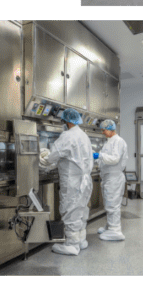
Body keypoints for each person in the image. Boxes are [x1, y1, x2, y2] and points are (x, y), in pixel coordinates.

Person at [41, 107, 94, 256]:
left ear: (67, 122)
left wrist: (45, 156)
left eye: (63, 121)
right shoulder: (84, 135)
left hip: (73, 181)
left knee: (70, 211)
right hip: (85, 181)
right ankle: (81, 240)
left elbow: (54, 155)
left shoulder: (68, 136)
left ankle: (71, 244)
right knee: (81, 210)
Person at [96, 119, 128, 241]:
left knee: (113, 204)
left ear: (110, 129)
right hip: (108, 177)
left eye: (104, 130)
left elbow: (114, 159)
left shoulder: (118, 141)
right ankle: (110, 226)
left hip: (114, 177)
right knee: (109, 202)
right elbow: (105, 158)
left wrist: (100, 156)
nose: (103, 132)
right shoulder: (109, 142)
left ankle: (115, 230)